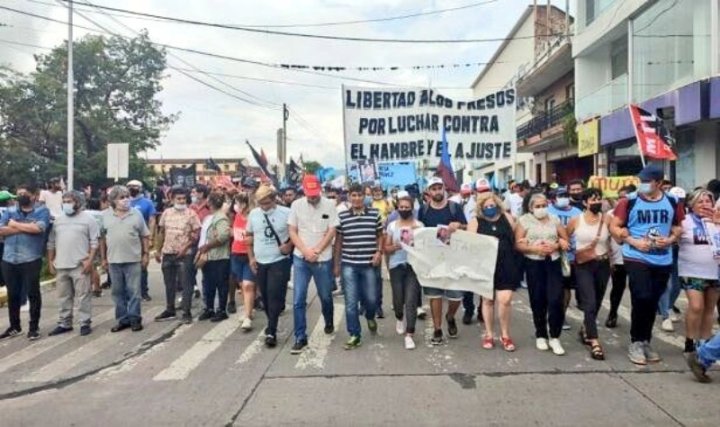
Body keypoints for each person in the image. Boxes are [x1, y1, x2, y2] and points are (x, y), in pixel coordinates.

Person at [609, 164, 684, 365]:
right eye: (640, 180)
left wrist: (669, 240)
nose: (642, 184)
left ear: (659, 183)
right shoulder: (628, 202)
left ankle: (645, 340)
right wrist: (634, 241)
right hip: (636, 256)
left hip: (663, 257)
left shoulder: (672, 201)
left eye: (647, 181)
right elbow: (614, 227)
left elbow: (678, 227)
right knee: (641, 295)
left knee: (652, 301)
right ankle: (635, 341)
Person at [287, 175, 338, 354]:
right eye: (309, 194)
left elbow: (332, 231)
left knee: (325, 296)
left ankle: (329, 320)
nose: (312, 197)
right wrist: (305, 250)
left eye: (315, 194)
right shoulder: (296, 205)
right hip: (301, 257)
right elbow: (292, 231)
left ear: (320, 190)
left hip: (322, 258)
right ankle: (300, 336)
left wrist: (316, 250)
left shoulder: (330, 205)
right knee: (299, 299)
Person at [515, 193, 570, 356]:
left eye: (543, 205)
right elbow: (518, 244)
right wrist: (534, 248)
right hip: (533, 264)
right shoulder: (524, 220)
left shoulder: (554, 219)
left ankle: (555, 336)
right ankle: (541, 334)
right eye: (537, 206)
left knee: (556, 299)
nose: (541, 209)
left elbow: (564, 239)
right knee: (537, 299)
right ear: (531, 208)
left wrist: (556, 245)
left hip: (552, 263)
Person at [417, 177, 467, 345]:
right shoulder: (423, 211)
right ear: (428, 192)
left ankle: (450, 316)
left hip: (454, 258)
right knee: (434, 295)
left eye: (440, 188)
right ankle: (437, 329)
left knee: (457, 296)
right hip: (432, 259)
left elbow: (468, 228)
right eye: (434, 188)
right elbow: (419, 233)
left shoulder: (455, 208)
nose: (437, 191)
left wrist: (458, 226)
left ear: (444, 189)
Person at [468, 192, 520, 352]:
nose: (490, 208)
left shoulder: (507, 217)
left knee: (505, 300)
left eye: (492, 205)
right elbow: (470, 245)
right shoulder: (475, 222)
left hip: (507, 263)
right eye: (486, 206)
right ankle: (489, 334)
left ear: (497, 204)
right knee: (488, 301)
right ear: (480, 208)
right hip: (486, 265)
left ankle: (505, 334)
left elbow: (516, 238)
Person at [334, 183, 383, 350]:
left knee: (371, 299)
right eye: (353, 195)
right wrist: (337, 264)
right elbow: (339, 242)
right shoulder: (342, 217)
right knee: (350, 302)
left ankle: (370, 316)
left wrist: (379, 252)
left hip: (369, 264)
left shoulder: (375, 214)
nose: (356, 198)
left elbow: (380, 235)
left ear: (365, 196)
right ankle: (354, 334)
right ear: (349, 197)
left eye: (359, 195)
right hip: (349, 264)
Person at [0, 184, 50, 340]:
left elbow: (39, 229)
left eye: (25, 193)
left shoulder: (42, 211)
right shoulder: (9, 211)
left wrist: (14, 225)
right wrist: (26, 227)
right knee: (12, 293)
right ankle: (15, 326)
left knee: (32, 293)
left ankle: (33, 327)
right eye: (19, 193)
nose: (21, 196)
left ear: (33, 195)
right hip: (9, 258)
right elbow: (1, 230)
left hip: (30, 258)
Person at [567, 188, 611, 360]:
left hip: (603, 264)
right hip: (583, 265)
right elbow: (563, 235)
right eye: (593, 200)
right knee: (589, 302)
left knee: (598, 300)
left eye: (599, 199)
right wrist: (568, 248)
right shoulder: (575, 221)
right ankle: (594, 342)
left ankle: (586, 327)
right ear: (585, 202)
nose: (597, 202)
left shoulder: (607, 219)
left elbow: (615, 237)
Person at [47, 191, 99, 337]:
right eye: (64, 201)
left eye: (69, 201)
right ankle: (65, 323)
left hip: (80, 265)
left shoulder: (89, 219)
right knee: (63, 296)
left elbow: (94, 242)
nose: (66, 204)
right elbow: (51, 243)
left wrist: (90, 260)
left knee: (83, 295)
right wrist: (51, 262)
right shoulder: (58, 221)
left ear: (78, 202)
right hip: (61, 265)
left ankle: (84, 322)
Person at [247, 185, 293, 348]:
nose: (264, 207)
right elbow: (250, 237)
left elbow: (296, 233)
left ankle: (271, 330)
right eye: (261, 204)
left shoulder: (286, 213)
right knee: (265, 297)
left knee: (274, 294)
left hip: (279, 260)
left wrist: (289, 245)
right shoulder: (253, 214)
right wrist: (251, 258)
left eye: (267, 203)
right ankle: (271, 320)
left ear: (274, 199)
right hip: (260, 260)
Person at [100, 186, 150, 333]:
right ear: (113, 200)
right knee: (117, 292)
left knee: (134, 291)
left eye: (127, 196)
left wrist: (146, 254)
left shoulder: (136, 214)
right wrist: (103, 258)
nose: (126, 200)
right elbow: (102, 238)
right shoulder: (105, 216)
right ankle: (123, 319)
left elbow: (144, 235)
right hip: (113, 260)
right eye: (122, 197)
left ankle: (135, 318)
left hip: (133, 259)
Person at [677, 189, 720, 353]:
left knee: (710, 309)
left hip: (714, 271)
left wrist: (717, 223)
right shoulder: (685, 221)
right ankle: (690, 341)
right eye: (700, 202)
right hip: (691, 270)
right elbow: (674, 237)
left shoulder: (716, 220)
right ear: (692, 205)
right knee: (696, 307)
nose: (704, 205)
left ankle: (704, 343)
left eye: (708, 201)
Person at [154, 187, 201, 324]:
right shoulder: (166, 213)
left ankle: (186, 311)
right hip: (168, 253)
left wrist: (185, 248)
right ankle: (170, 309)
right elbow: (161, 232)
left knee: (186, 283)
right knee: (169, 283)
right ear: (172, 199)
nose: (181, 201)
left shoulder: (191, 214)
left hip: (185, 255)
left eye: (183, 199)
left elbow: (196, 234)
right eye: (178, 199)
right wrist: (158, 250)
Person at [384, 192, 423, 350]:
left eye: (407, 207)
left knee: (411, 300)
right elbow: (385, 248)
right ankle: (399, 317)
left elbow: (426, 247)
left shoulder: (420, 226)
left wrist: (416, 239)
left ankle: (410, 334)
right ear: (397, 209)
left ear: (412, 209)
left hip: (413, 266)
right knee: (398, 300)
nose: (404, 209)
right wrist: (395, 246)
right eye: (401, 207)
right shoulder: (392, 226)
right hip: (396, 265)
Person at [547, 187, 583, 331]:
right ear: (554, 198)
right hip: (552, 254)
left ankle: (561, 315)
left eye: (566, 195)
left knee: (566, 288)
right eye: (560, 195)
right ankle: (552, 312)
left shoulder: (577, 213)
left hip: (571, 256)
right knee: (553, 288)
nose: (564, 198)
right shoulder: (548, 211)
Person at [197, 192, 232, 322]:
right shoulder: (209, 218)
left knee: (221, 284)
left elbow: (223, 236)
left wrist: (208, 246)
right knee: (208, 284)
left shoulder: (220, 218)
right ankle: (209, 308)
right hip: (209, 256)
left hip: (219, 256)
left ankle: (221, 310)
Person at [605, 185, 635, 328]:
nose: (621, 200)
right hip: (618, 258)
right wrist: (609, 257)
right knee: (617, 288)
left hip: (637, 257)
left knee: (637, 290)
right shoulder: (611, 214)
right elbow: (607, 237)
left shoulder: (637, 211)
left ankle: (637, 318)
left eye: (624, 197)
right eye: (619, 197)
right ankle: (613, 313)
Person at [658, 186, 686, 332]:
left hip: (681, 253)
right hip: (664, 251)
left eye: (682, 201)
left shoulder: (686, 214)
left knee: (677, 284)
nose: (680, 204)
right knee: (666, 285)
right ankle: (665, 315)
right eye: (677, 201)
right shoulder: (664, 210)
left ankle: (668, 306)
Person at [230, 192, 257, 330]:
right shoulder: (236, 216)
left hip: (249, 255)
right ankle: (249, 310)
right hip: (236, 254)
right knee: (242, 286)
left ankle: (247, 317)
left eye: (239, 203)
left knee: (248, 285)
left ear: (246, 204)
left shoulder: (253, 218)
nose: (236, 206)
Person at [127, 180, 156, 302]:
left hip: (141, 238)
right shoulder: (124, 202)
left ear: (140, 188)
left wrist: (150, 236)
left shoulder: (147, 203)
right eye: (130, 187)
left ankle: (144, 291)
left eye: (135, 187)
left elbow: (152, 220)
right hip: (127, 239)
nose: (132, 189)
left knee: (142, 265)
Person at [190, 184, 211, 304]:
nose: (192, 195)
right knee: (190, 269)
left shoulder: (209, 208)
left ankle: (207, 300)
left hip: (206, 244)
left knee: (206, 272)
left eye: (194, 192)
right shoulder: (190, 208)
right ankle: (194, 288)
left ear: (201, 194)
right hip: (192, 243)